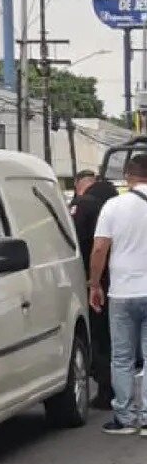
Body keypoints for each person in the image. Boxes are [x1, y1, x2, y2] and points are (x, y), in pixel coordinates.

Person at [89, 155, 147, 434]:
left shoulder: (113, 206)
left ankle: (124, 418)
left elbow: (100, 248)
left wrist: (94, 285)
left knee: (122, 357)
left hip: (122, 292)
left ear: (127, 176)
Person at [72, 178, 118, 409]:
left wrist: (93, 282)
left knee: (98, 336)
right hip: (120, 280)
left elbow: (86, 245)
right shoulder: (114, 201)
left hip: (94, 279)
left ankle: (106, 390)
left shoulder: (83, 206)